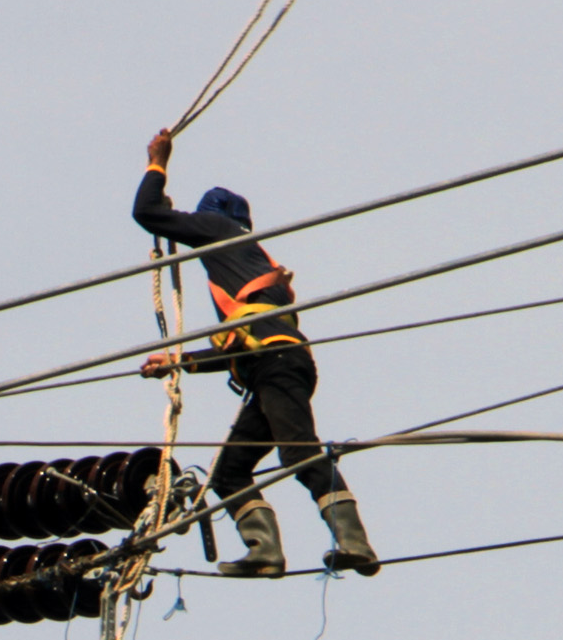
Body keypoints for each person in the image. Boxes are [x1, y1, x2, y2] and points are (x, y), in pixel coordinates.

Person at [130, 128, 377, 577]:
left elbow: (145, 213)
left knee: (299, 452)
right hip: (269, 366)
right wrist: (178, 362)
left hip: (278, 365)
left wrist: (157, 163)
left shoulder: (221, 231)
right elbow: (238, 346)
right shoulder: (246, 264)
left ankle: (354, 542)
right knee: (228, 473)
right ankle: (265, 553)